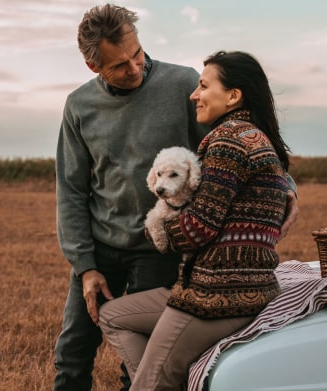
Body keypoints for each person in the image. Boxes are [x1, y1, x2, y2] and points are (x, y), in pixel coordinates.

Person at [53, 4, 298, 390]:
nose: (134, 68)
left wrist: (285, 187)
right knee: (73, 350)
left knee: (144, 355)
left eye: (137, 54)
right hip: (100, 247)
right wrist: (85, 267)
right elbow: (71, 190)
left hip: (159, 248)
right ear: (92, 66)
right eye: (119, 66)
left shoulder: (184, 84)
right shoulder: (79, 106)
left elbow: (244, 143)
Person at [98, 50, 292, 390]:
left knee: (148, 384)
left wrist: (156, 228)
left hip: (216, 297)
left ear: (233, 96)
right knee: (113, 315)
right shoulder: (258, 138)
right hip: (249, 288)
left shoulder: (227, 141)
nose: (194, 94)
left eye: (203, 86)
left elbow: (196, 228)